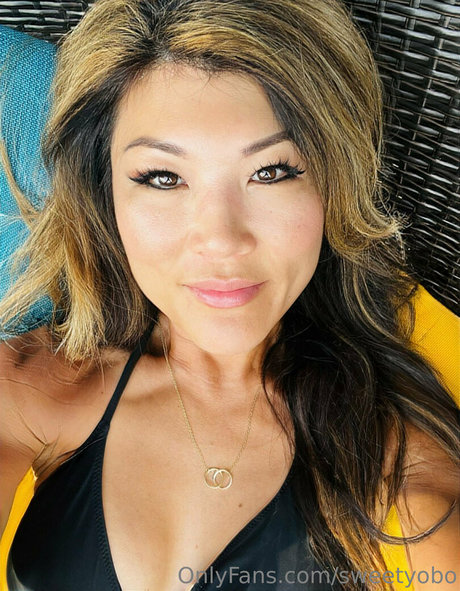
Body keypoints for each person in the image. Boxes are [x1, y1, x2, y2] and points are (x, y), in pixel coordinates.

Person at [0, 0, 458, 590]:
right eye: (163, 178)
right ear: (105, 194)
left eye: (271, 172)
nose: (221, 241)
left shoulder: (398, 458)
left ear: (333, 184)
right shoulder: (33, 390)